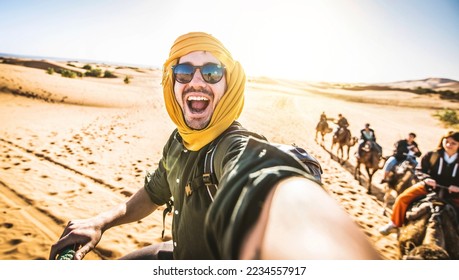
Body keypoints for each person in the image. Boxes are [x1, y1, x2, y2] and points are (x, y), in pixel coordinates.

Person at [49, 32, 380, 260]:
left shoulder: (231, 146)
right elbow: (153, 192)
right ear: (172, 82)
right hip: (181, 254)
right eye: (182, 71)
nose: (196, 81)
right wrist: (101, 222)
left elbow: (265, 179)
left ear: (229, 84)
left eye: (211, 71)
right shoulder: (178, 142)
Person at [379, 131, 459, 235]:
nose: (449, 145)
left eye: (453, 143)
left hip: (454, 194)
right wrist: (427, 178)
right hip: (429, 188)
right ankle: (394, 224)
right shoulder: (432, 155)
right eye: (447, 141)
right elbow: (420, 170)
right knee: (402, 199)